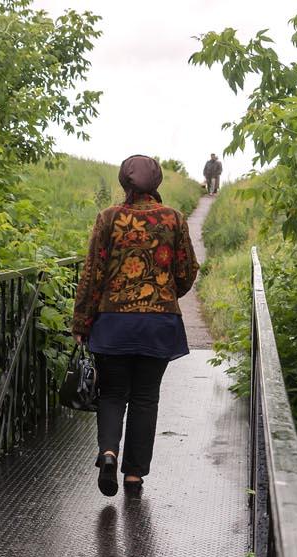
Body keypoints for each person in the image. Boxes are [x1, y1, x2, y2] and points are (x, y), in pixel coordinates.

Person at [70, 155, 199, 498]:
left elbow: (92, 274)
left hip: (113, 323)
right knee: (145, 398)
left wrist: (82, 321)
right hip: (159, 324)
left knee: (112, 394)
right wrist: (166, 294)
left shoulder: (109, 218)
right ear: (156, 182)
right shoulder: (173, 218)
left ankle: (108, 452)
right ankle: (134, 477)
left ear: (123, 181)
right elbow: (187, 271)